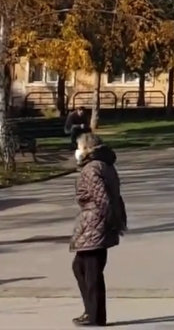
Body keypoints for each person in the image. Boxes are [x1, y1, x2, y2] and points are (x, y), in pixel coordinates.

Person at [69, 132, 126, 327]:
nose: (76, 151)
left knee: (91, 271)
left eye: (79, 147)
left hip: (95, 222)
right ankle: (91, 311)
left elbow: (102, 197)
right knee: (81, 267)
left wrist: (109, 221)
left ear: (86, 148)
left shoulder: (92, 168)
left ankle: (95, 316)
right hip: (97, 222)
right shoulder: (105, 165)